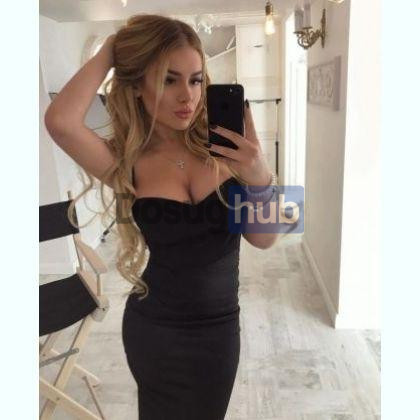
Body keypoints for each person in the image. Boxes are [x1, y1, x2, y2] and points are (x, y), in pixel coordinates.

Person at [44, 13, 278, 420]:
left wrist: (261, 176)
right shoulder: (126, 161)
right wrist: (113, 47)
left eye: (196, 80)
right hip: (156, 331)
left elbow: (265, 239)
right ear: (137, 86)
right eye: (169, 80)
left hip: (220, 330)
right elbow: (60, 121)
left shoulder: (229, 150)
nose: (188, 96)